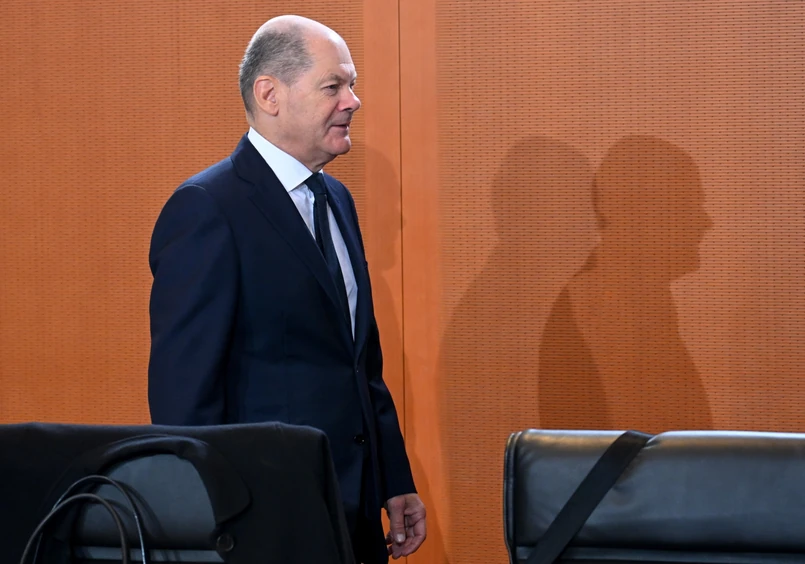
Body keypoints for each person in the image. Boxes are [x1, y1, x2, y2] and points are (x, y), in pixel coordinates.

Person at [147, 15, 425, 563]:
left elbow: (359, 365)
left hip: (354, 513)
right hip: (263, 523)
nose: (353, 101)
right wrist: (217, 526)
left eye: (352, 84)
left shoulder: (337, 199)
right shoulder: (207, 208)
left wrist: (393, 479)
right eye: (333, 86)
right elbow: (184, 397)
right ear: (269, 95)